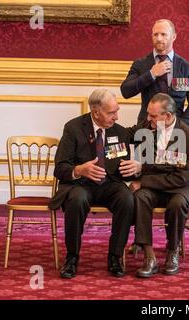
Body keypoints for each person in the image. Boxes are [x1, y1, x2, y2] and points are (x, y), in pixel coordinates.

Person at [49, 88, 140, 279]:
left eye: (117, 111)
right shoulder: (73, 128)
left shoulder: (120, 132)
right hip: (80, 184)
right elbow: (60, 168)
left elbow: (122, 171)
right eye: (111, 112)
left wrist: (134, 170)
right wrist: (80, 169)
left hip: (109, 184)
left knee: (127, 199)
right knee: (77, 200)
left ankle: (115, 256)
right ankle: (72, 257)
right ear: (96, 112)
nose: (116, 116)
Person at [126, 93, 189, 278]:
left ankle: (172, 251)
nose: (148, 119)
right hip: (154, 186)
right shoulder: (147, 126)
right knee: (140, 197)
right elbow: (126, 133)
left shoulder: (187, 136)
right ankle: (149, 256)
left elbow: (180, 178)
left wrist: (142, 180)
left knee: (177, 204)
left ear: (167, 116)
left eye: (153, 115)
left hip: (180, 187)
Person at [120, 19, 189, 126]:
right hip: (146, 128)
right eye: (155, 34)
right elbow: (126, 91)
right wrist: (151, 74)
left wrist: (179, 125)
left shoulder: (186, 67)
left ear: (174, 37)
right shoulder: (141, 64)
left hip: (176, 131)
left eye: (163, 34)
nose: (159, 38)